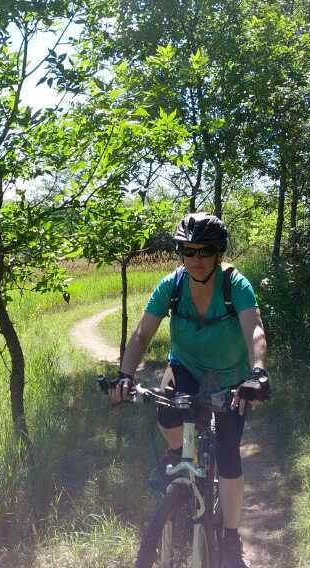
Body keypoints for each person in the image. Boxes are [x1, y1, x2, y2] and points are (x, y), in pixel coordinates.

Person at [109, 212, 269, 568]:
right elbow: (141, 334)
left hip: (232, 376)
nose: (196, 259)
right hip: (186, 367)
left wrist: (257, 371)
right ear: (180, 252)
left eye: (205, 251)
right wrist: (124, 375)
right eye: (188, 251)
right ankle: (180, 454)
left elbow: (254, 330)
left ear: (218, 253)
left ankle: (230, 536)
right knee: (164, 405)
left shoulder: (235, 285)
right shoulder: (172, 285)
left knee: (228, 453)